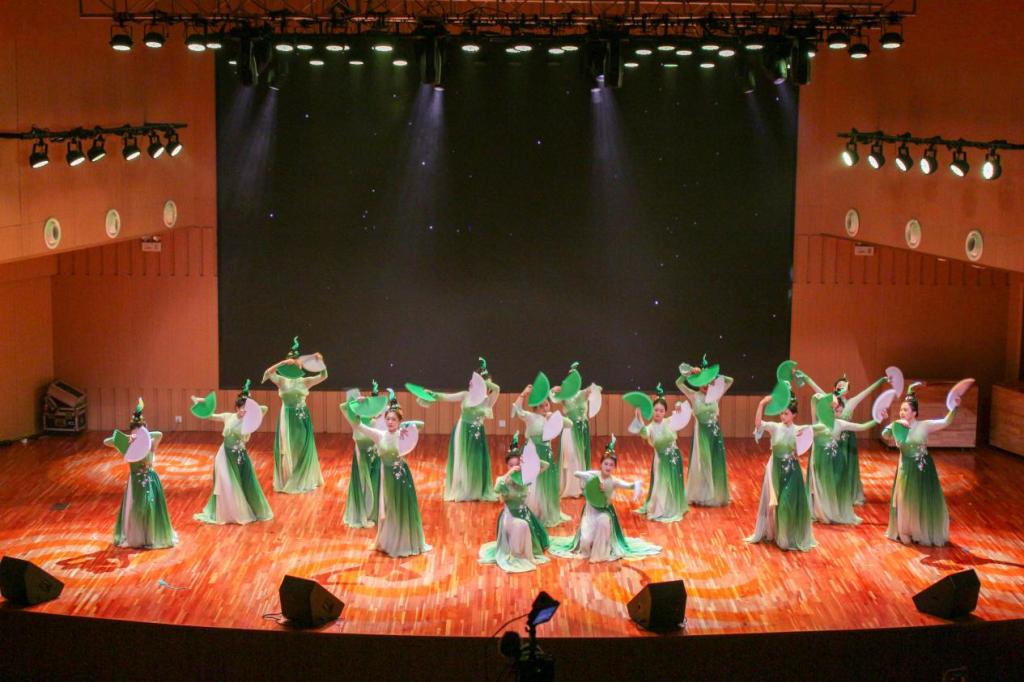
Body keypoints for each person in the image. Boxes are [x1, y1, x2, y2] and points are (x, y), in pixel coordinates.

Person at [549, 437, 662, 563]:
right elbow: (576, 474)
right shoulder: (594, 475)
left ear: (614, 467)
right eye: (606, 464)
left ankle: (600, 554)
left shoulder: (613, 481)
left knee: (603, 522)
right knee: (585, 540)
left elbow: (628, 486)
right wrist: (591, 479)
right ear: (601, 464)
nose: (608, 467)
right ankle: (589, 548)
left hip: (605, 511)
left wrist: (636, 485)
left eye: (611, 465)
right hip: (590, 511)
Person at [352, 394, 431, 557]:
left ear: (399, 421)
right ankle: (389, 540)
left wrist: (403, 423)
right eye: (387, 419)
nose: (390, 422)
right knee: (388, 508)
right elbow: (357, 425)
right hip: (386, 476)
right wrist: (359, 407)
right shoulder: (379, 435)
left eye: (394, 419)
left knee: (400, 507)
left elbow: (420, 425)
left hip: (401, 475)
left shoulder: (402, 434)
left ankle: (404, 541)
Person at [881, 383, 960, 547]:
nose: (902, 412)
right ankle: (904, 532)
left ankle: (920, 531)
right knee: (905, 501)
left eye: (905, 410)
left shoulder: (925, 425)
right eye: (901, 410)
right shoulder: (897, 426)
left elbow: (946, 421)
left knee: (921, 501)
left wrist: (954, 408)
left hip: (923, 468)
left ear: (914, 413)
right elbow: (885, 434)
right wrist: (889, 423)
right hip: (906, 469)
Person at [799, 370, 887, 505]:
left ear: (848, 390)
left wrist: (880, 381)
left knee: (844, 468)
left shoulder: (851, 402)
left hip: (846, 439)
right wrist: (806, 378)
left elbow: (867, 392)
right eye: (839, 386)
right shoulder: (830, 400)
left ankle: (843, 495)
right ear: (834, 388)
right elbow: (816, 390)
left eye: (845, 386)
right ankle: (823, 495)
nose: (842, 388)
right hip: (827, 437)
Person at [192, 382, 273, 525]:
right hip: (224, 454)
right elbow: (210, 416)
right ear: (236, 408)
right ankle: (227, 512)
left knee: (243, 483)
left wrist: (250, 402)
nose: (243, 411)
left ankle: (241, 510)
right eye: (241, 408)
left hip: (240, 456)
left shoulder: (250, 421)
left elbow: (264, 408)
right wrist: (203, 403)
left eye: (246, 409)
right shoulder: (228, 416)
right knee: (226, 483)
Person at [104, 398, 177, 549]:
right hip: (135, 482)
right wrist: (127, 438)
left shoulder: (150, 443)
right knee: (137, 508)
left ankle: (150, 538)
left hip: (150, 479)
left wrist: (144, 435)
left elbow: (159, 434)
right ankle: (138, 538)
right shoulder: (128, 447)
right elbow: (107, 442)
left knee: (150, 506)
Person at [746, 395, 815, 551]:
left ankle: (786, 538)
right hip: (776, 470)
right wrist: (761, 403)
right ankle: (779, 534)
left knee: (785, 503)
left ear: (794, 415)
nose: (783, 416)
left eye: (786, 413)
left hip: (792, 471)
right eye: (782, 413)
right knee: (774, 505)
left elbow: (809, 437)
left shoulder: (799, 430)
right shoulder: (775, 427)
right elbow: (758, 424)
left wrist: (800, 445)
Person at [261, 337, 328, 494]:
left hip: (301, 416)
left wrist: (320, 361)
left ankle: (304, 476)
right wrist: (283, 363)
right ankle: (289, 476)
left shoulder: (305, 381)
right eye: (291, 362)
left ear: (300, 365)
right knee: (288, 446)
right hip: (286, 416)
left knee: (302, 445)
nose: (294, 364)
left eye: (296, 362)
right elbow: (268, 372)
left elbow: (323, 375)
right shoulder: (281, 381)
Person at [430, 357, 500, 502]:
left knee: (476, 460)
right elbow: (445, 397)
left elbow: (497, 389)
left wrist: (483, 381)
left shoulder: (487, 400)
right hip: (462, 431)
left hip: (477, 434)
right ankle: (463, 488)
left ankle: (475, 489)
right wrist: (432, 394)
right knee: (462, 459)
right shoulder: (465, 395)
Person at [478, 433, 551, 573]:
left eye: (517, 464)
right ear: (507, 466)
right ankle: (516, 551)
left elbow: (545, 466)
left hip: (525, 514)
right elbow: (496, 489)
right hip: (510, 516)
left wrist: (528, 461)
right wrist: (508, 474)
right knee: (521, 528)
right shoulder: (503, 480)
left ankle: (525, 551)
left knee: (533, 538)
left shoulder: (525, 478)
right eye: (511, 465)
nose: (514, 467)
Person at [806, 392, 879, 525]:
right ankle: (822, 512)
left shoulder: (840, 424)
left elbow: (862, 427)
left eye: (836, 409)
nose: (834, 412)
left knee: (835, 487)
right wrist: (830, 398)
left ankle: (834, 512)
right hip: (821, 461)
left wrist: (878, 419)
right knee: (821, 487)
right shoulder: (817, 422)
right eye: (832, 409)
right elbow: (814, 398)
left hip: (837, 461)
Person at [512, 385, 571, 527]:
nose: (545, 408)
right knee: (533, 483)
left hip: (546, 454)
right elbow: (517, 411)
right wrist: (523, 394)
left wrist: (555, 416)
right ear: (536, 408)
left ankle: (545, 511)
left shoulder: (550, 417)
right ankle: (532, 511)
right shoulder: (530, 417)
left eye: (547, 405)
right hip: (532, 453)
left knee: (546, 483)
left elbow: (569, 424)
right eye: (542, 406)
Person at [676, 357, 732, 506]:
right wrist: (690, 372)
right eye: (703, 382)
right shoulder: (693, 395)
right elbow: (679, 383)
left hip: (715, 433)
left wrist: (714, 374)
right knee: (703, 462)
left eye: (708, 381)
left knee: (714, 462)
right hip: (701, 433)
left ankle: (714, 496)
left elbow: (730, 380)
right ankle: (702, 494)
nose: (706, 385)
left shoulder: (716, 394)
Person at [629, 385, 688, 523]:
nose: (658, 413)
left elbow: (682, 412)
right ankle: (661, 508)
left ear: (665, 412)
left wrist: (678, 404)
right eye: (656, 410)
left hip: (674, 457)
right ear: (652, 411)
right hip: (661, 459)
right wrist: (639, 417)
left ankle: (672, 506)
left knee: (672, 482)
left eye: (661, 411)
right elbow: (644, 434)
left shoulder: (670, 421)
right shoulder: (650, 427)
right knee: (661, 483)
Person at [552, 363, 603, 498]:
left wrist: (593, 389)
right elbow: (552, 397)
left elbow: (596, 389)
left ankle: (581, 485)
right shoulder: (563, 396)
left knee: (581, 456)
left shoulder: (582, 393)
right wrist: (554, 390)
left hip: (582, 430)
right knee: (571, 456)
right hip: (569, 429)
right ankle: (571, 487)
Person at [341, 382, 385, 529]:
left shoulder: (375, 420)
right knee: (362, 483)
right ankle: (363, 512)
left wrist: (370, 400)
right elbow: (343, 407)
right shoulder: (354, 421)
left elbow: (382, 408)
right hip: (361, 454)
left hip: (375, 454)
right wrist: (355, 402)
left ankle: (373, 512)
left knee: (374, 481)